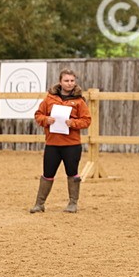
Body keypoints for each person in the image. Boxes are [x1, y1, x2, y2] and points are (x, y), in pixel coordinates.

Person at [29, 69, 92, 213]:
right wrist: (46, 119)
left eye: (72, 81)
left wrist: (73, 123)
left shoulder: (79, 101)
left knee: (72, 173)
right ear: (60, 82)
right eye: (66, 81)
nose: (69, 84)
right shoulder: (49, 99)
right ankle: (39, 204)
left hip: (72, 144)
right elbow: (38, 115)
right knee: (47, 173)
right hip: (52, 144)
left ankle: (72, 203)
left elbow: (87, 121)